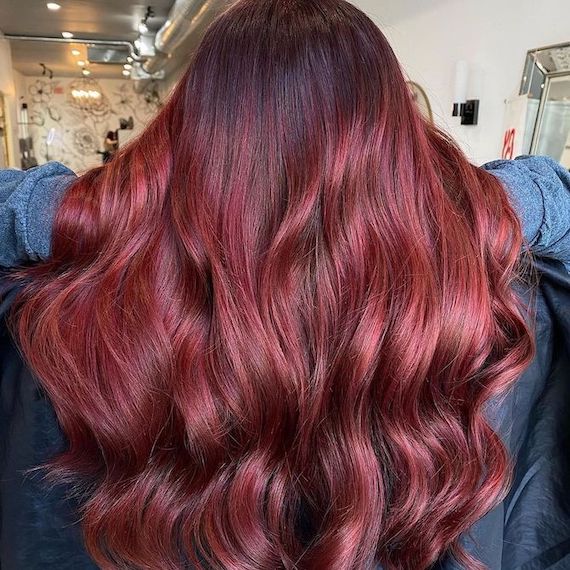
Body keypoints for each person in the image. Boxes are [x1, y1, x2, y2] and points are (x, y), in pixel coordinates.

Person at [0, 1, 569, 569]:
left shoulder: (97, 306)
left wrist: (83, 213)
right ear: (392, 129)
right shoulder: (464, 303)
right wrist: (481, 209)